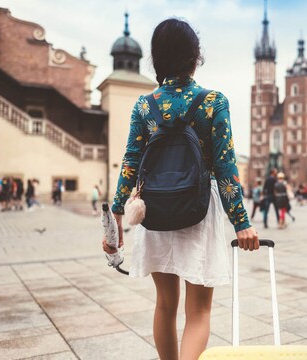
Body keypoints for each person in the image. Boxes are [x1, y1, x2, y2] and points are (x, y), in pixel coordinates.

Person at [103, 18, 258, 360]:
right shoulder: (213, 101)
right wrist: (242, 223)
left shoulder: (145, 105)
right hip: (197, 209)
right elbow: (226, 167)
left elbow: (131, 160)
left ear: (156, 58)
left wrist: (117, 213)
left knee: (165, 304)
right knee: (199, 311)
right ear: (195, 56)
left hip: (154, 208)